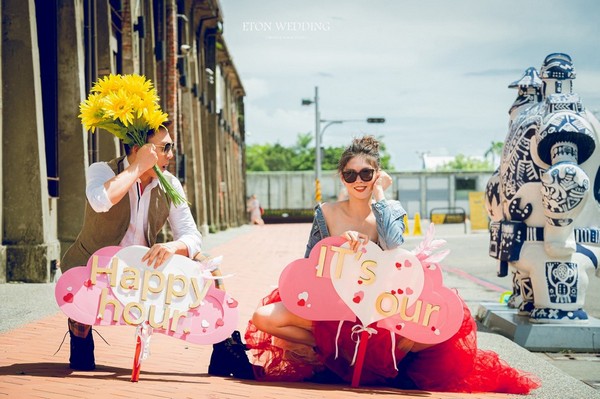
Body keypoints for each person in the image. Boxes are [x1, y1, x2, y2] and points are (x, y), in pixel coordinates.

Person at [241, 136, 540, 394]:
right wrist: (341, 247)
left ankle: (389, 363)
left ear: (377, 174)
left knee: (446, 327)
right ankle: (327, 354)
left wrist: (381, 196)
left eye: (366, 173)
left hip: (383, 309)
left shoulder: (391, 209)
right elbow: (311, 261)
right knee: (262, 316)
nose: (359, 181)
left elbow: (394, 245)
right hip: (334, 308)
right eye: (350, 174)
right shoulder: (326, 212)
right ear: (342, 177)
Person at [60, 122, 218, 370]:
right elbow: (101, 201)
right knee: (81, 361)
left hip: (142, 274)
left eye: (171, 147)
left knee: (209, 266)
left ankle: (225, 347)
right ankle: (80, 335)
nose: (171, 155)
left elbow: (191, 235)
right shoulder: (101, 170)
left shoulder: (169, 184)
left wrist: (173, 246)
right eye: (165, 148)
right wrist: (137, 168)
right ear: (138, 148)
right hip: (94, 269)